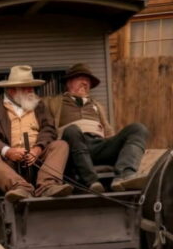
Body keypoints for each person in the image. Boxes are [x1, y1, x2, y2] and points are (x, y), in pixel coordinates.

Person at [46, 63, 149, 192]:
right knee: (72, 130)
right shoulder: (53, 103)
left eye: (88, 81)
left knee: (138, 128)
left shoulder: (96, 105)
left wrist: (114, 144)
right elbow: (46, 127)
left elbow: (108, 131)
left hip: (98, 146)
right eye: (81, 79)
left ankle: (125, 176)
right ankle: (92, 181)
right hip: (72, 148)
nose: (85, 83)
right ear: (69, 82)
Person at [0, 65, 72, 202]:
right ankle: (20, 187)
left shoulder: (39, 106)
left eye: (31, 87)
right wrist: (8, 151)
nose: (31, 91)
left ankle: (47, 185)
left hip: (38, 158)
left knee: (61, 145)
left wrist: (38, 149)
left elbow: (49, 129)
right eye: (26, 88)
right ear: (11, 90)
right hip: (8, 162)